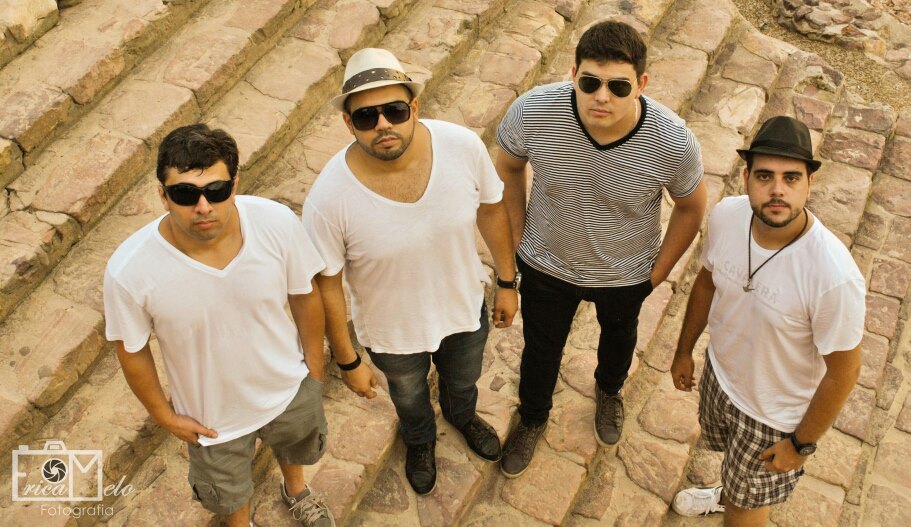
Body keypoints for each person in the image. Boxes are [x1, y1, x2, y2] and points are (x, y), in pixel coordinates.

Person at [302, 48, 519, 495]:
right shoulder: (329, 198)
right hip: (392, 333)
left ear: (414, 108)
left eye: (395, 111)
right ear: (348, 123)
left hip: (463, 308)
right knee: (408, 397)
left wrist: (506, 281)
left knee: (463, 380)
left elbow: (492, 209)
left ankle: (461, 416)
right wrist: (347, 359)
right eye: (366, 117)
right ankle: (419, 439)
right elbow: (327, 285)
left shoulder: (461, 147)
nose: (383, 124)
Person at [495, 20, 707, 477]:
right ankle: (532, 417)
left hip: (625, 274)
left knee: (619, 338)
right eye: (590, 82)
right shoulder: (533, 112)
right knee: (540, 349)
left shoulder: (672, 141)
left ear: (641, 84)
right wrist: (516, 244)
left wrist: (656, 275)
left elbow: (691, 208)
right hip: (546, 264)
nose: (601, 97)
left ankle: (609, 391)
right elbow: (508, 167)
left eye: (618, 86)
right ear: (573, 73)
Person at [103, 124, 334, 527]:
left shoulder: (275, 223)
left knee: (295, 446)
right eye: (185, 194)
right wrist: (164, 416)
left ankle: (296, 490)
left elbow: (304, 293)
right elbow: (131, 349)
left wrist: (314, 367)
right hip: (212, 419)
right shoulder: (130, 270)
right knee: (228, 494)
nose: (203, 206)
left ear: (235, 184)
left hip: (287, 386)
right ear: (162, 195)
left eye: (216, 190)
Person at [669, 116, 865, 524]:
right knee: (734, 469)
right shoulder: (727, 216)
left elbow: (844, 371)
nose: (777, 190)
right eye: (765, 176)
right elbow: (706, 282)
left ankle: (740, 501)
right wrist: (684, 350)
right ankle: (732, 491)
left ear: (810, 183)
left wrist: (801, 444)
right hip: (721, 378)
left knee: (746, 511)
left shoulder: (832, 276)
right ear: (746, 178)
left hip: (773, 417)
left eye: (791, 178)